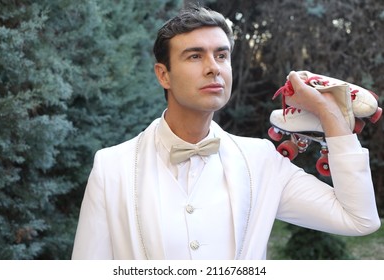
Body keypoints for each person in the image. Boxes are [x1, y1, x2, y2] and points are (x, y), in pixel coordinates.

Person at [71, 5, 380, 260]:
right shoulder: (112, 167)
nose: (213, 67)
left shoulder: (261, 162)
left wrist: (329, 115)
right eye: (195, 56)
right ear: (163, 75)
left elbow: (359, 219)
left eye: (221, 55)